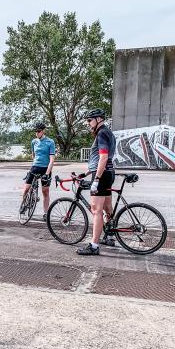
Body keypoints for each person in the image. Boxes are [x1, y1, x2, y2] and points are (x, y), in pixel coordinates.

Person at [77, 109, 116, 256]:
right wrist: (88, 172)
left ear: (98, 119)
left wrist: (96, 179)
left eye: (89, 120)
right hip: (108, 172)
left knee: (96, 210)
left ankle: (94, 245)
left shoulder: (101, 133)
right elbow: (100, 160)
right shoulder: (108, 132)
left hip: (102, 174)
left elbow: (103, 158)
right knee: (107, 207)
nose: (88, 124)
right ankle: (110, 236)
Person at [21, 122, 56, 220]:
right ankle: (24, 205)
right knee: (26, 189)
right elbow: (33, 155)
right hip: (35, 167)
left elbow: (52, 160)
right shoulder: (33, 142)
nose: (37, 133)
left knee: (45, 192)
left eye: (39, 131)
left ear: (43, 131)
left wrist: (47, 173)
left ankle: (45, 213)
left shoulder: (50, 142)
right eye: (35, 131)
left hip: (45, 169)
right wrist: (34, 163)